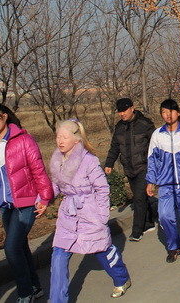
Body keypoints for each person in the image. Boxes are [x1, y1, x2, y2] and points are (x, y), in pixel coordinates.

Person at [0, 102, 53, 303]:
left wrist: (45, 197)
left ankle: (24, 293)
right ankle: (35, 287)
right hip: (5, 206)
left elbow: (38, 169)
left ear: (4, 117)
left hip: (25, 203)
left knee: (11, 248)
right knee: (20, 246)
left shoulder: (23, 140)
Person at [49, 120, 131, 302]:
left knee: (101, 249)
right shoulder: (57, 160)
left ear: (76, 139)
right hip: (68, 215)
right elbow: (55, 186)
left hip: (89, 211)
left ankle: (121, 278)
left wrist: (102, 216)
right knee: (58, 256)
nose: (60, 141)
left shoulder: (89, 160)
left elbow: (102, 188)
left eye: (64, 137)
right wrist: (43, 200)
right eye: (57, 137)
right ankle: (57, 300)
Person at [146, 99, 180, 263]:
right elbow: (152, 159)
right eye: (164, 111)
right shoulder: (157, 134)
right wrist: (150, 181)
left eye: (171, 111)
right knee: (165, 216)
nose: (168, 114)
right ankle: (173, 246)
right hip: (165, 184)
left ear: (179, 113)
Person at [104, 98, 157, 242]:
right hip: (129, 168)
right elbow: (115, 146)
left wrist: (155, 166)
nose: (122, 114)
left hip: (143, 167)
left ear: (132, 108)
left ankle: (137, 231)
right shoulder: (119, 127)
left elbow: (155, 145)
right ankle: (149, 222)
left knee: (138, 199)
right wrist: (109, 163)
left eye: (124, 110)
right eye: (119, 111)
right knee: (142, 197)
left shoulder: (145, 124)